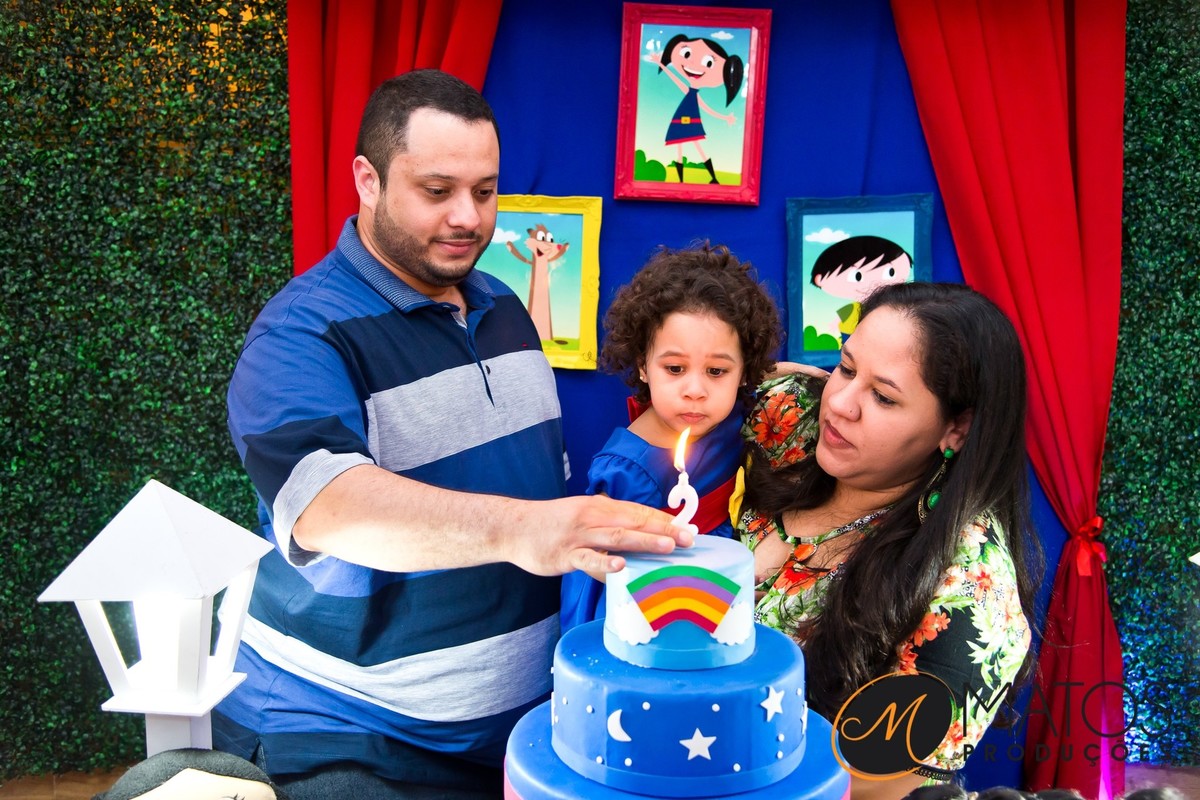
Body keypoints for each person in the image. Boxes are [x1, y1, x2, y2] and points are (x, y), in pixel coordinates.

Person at [213, 69, 689, 799]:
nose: (468, 217)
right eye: (437, 191)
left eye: (485, 191)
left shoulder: (504, 308)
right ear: (368, 181)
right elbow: (330, 507)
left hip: (512, 740)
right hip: (349, 738)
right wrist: (525, 530)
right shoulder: (298, 335)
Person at [733, 281, 1040, 799]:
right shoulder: (791, 418)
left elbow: (871, 786)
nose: (840, 404)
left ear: (958, 429)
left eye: (883, 396)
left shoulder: (969, 591)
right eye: (846, 367)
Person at [559, 242, 781, 631]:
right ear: (643, 366)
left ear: (745, 372)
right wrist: (700, 587)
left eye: (716, 372)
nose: (695, 390)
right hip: (646, 611)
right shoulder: (628, 469)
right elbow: (598, 561)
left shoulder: (732, 416)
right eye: (675, 369)